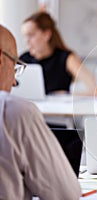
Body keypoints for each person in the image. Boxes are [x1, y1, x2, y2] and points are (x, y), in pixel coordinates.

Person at [0, 25, 81, 199]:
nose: (14, 82)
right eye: (14, 67)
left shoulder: (65, 57)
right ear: (0, 59)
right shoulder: (13, 111)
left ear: (47, 34)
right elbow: (65, 193)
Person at [20, 12, 97, 96]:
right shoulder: (22, 60)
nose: (26, 41)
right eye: (25, 36)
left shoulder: (67, 58)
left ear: (47, 35)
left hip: (58, 108)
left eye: (31, 35)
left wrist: (67, 94)